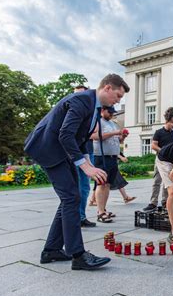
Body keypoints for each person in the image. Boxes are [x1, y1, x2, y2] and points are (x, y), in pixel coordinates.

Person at [24, 73, 129, 270]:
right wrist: (85, 166)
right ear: (107, 88)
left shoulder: (94, 107)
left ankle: (52, 250)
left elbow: (80, 137)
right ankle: (78, 255)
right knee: (71, 198)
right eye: (118, 95)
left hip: (60, 152)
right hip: (48, 149)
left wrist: (87, 161)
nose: (118, 100)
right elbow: (66, 134)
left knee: (71, 198)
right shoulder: (82, 100)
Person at [92, 105, 129, 223]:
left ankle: (103, 209)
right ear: (103, 110)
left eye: (113, 112)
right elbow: (94, 137)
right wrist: (114, 133)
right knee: (101, 184)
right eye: (110, 112)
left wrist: (122, 136)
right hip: (101, 157)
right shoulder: (98, 122)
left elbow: (118, 141)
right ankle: (100, 212)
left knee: (107, 184)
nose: (112, 114)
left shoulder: (112, 123)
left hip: (113, 158)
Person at [73, 85, 96, 228]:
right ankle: (73, 217)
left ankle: (81, 216)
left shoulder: (91, 111)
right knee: (73, 188)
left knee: (85, 187)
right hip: (72, 153)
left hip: (86, 151)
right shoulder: (71, 111)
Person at [143, 119, 173, 212]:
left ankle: (165, 202)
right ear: (167, 121)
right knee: (156, 181)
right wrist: (163, 151)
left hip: (170, 161)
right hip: (160, 160)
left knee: (168, 183)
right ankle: (153, 203)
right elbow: (153, 145)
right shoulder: (159, 132)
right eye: (172, 123)